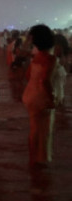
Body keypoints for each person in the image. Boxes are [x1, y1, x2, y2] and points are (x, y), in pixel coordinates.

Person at [23, 24, 58, 166]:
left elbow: (27, 75)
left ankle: (33, 158)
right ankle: (39, 159)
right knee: (44, 129)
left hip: (30, 95)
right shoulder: (50, 59)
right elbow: (45, 80)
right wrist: (51, 98)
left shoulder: (36, 57)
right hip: (41, 97)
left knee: (34, 129)